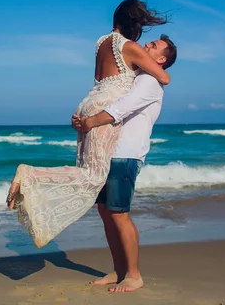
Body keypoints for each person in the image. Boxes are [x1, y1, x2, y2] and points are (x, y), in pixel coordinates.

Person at [7, 0, 170, 248]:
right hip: (101, 111)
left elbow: (107, 77)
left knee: (90, 177)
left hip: (89, 103)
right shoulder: (129, 47)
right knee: (92, 178)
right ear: (134, 23)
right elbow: (164, 77)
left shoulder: (101, 43)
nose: (145, 40)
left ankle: (30, 180)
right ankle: (29, 175)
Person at [72, 34, 177, 293]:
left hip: (126, 155)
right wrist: (84, 118)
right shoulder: (133, 77)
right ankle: (119, 270)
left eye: (153, 46)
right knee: (106, 213)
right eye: (149, 42)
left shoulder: (150, 80)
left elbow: (123, 107)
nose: (147, 45)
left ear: (161, 60)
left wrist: (92, 121)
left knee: (119, 214)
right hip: (108, 151)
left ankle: (134, 275)